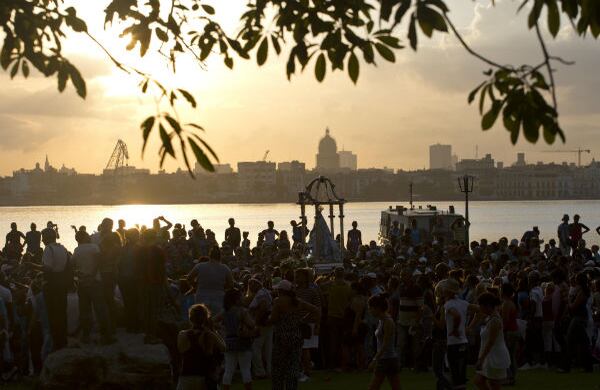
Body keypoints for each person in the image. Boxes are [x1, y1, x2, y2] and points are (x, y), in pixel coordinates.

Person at [268, 280, 319, 390]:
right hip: (296, 336)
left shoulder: (278, 301)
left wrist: (264, 319)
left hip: (282, 337)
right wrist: (303, 319)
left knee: (278, 367)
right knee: (293, 366)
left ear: (281, 290)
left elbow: (273, 319)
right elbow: (316, 310)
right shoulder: (298, 301)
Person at [71, 230, 111, 344]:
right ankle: (106, 336)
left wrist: (79, 274)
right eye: (87, 235)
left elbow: (72, 266)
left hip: (82, 283)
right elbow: (99, 261)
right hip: (95, 282)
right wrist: (93, 275)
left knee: (85, 310)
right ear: (84, 237)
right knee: (100, 309)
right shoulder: (94, 247)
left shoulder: (77, 250)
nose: (89, 236)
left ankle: (86, 335)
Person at [177, 304, 225, 390]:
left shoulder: (182, 334)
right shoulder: (209, 335)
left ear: (190, 318)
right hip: (203, 376)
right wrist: (213, 331)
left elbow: (180, 350)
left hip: (185, 375)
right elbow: (223, 348)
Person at [39, 228, 70, 351]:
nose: (41, 240)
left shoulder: (48, 249)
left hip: (52, 285)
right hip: (62, 284)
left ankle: (56, 343)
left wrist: (33, 266)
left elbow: (48, 269)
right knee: (62, 313)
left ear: (47, 238)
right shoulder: (63, 248)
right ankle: (63, 340)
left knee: (52, 314)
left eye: (43, 237)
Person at [472, 293, 511, 390]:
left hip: (495, 355)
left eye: (481, 305)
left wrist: (481, 359)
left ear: (487, 305)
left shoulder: (495, 320)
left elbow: (491, 342)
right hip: (489, 355)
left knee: (494, 384)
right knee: (478, 380)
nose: (479, 308)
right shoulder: (489, 317)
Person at [219, 288, 254, 390]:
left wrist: (221, 328)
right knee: (245, 369)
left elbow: (211, 321)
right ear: (236, 299)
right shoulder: (242, 311)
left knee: (229, 370)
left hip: (229, 341)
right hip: (242, 341)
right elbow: (252, 324)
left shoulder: (224, 312)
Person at [187, 247, 233, 316]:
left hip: (201, 296)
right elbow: (231, 284)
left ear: (210, 255)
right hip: (218, 297)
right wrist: (222, 288)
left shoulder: (200, 266)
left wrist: (195, 286)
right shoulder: (225, 268)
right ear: (220, 257)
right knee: (215, 321)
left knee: (200, 319)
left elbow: (189, 278)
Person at [367, 294, 400, 390]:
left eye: (371, 308)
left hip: (387, 360)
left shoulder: (388, 321)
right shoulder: (381, 320)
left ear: (378, 308)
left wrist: (374, 360)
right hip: (387, 359)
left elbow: (385, 344)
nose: (369, 310)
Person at [294, 268, 321, 381]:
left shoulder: (312, 291)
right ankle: (300, 370)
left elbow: (318, 308)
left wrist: (318, 325)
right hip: (296, 323)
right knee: (298, 349)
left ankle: (307, 372)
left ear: (305, 277)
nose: (296, 278)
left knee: (305, 349)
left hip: (308, 323)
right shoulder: (294, 290)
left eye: (298, 276)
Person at [248, 278, 273, 379]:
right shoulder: (264, 292)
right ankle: (269, 371)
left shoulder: (261, 293)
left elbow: (263, 307)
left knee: (255, 348)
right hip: (267, 324)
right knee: (268, 349)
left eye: (251, 284)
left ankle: (260, 372)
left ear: (257, 283)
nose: (250, 286)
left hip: (261, 324)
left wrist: (256, 323)